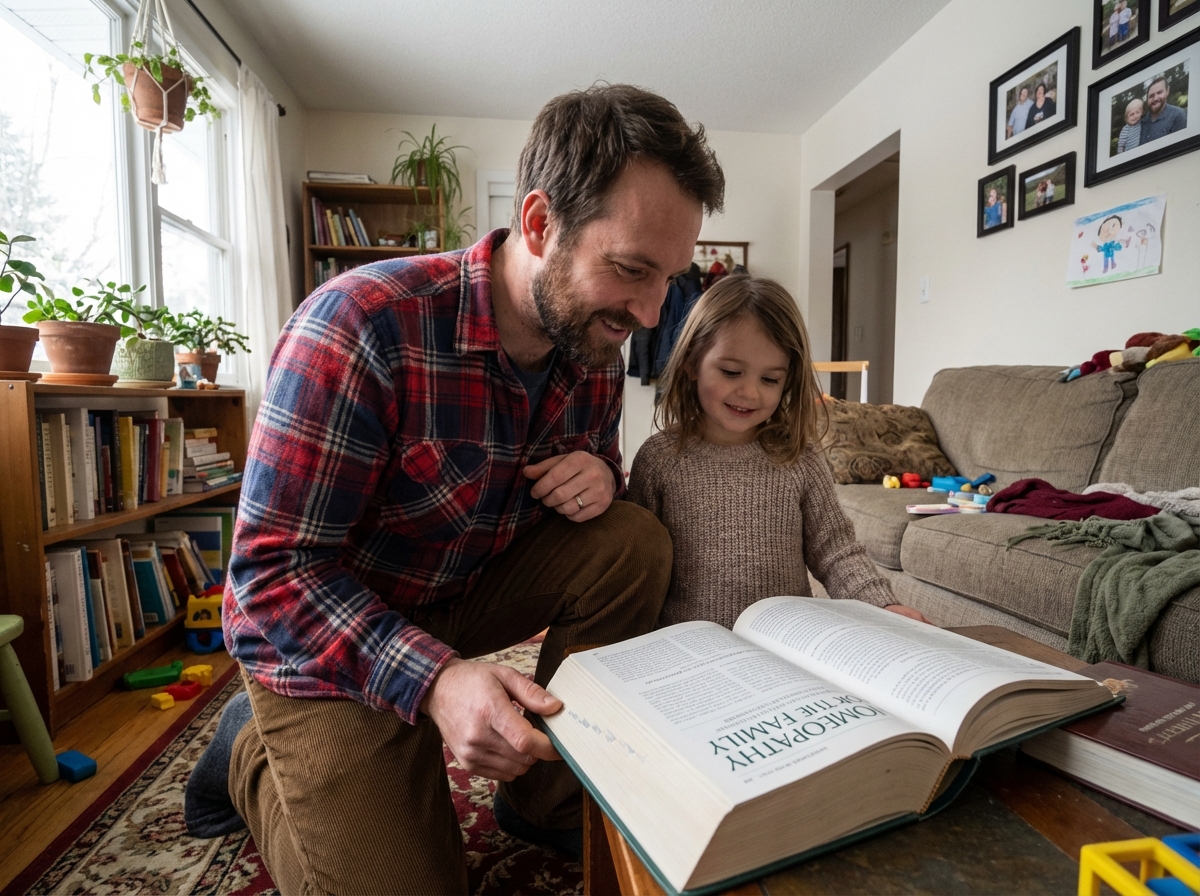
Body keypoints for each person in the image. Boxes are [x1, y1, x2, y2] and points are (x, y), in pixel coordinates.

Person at [184, 84, 726, 894]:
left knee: (635, 541)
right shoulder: (361, 324)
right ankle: (250, 756)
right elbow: (267, 581)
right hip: (332, 632)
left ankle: (542, 796)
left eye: (670, 281)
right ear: (541, 224)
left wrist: (602, 477)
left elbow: (584, 481)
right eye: (631, 271)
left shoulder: (595, 343)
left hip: (462, 586)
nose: (650, 315)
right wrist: (434, 680)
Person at [626, 275, 928, 631]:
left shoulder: (799, 457)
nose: (750, 393)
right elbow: (636, 566)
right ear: (692, 362)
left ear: (788, 380)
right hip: (690, 648)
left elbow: (834, 550)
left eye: (770, 379)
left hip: (786, 642)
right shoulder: (659, 459)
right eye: (731, 371)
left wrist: (883, 604)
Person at [1140, 76, 1188, 144]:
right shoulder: (1142, 122)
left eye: (1159, 93)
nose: (1155, 98)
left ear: (1167, 91)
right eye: (1151, 96)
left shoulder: (1178, 115)